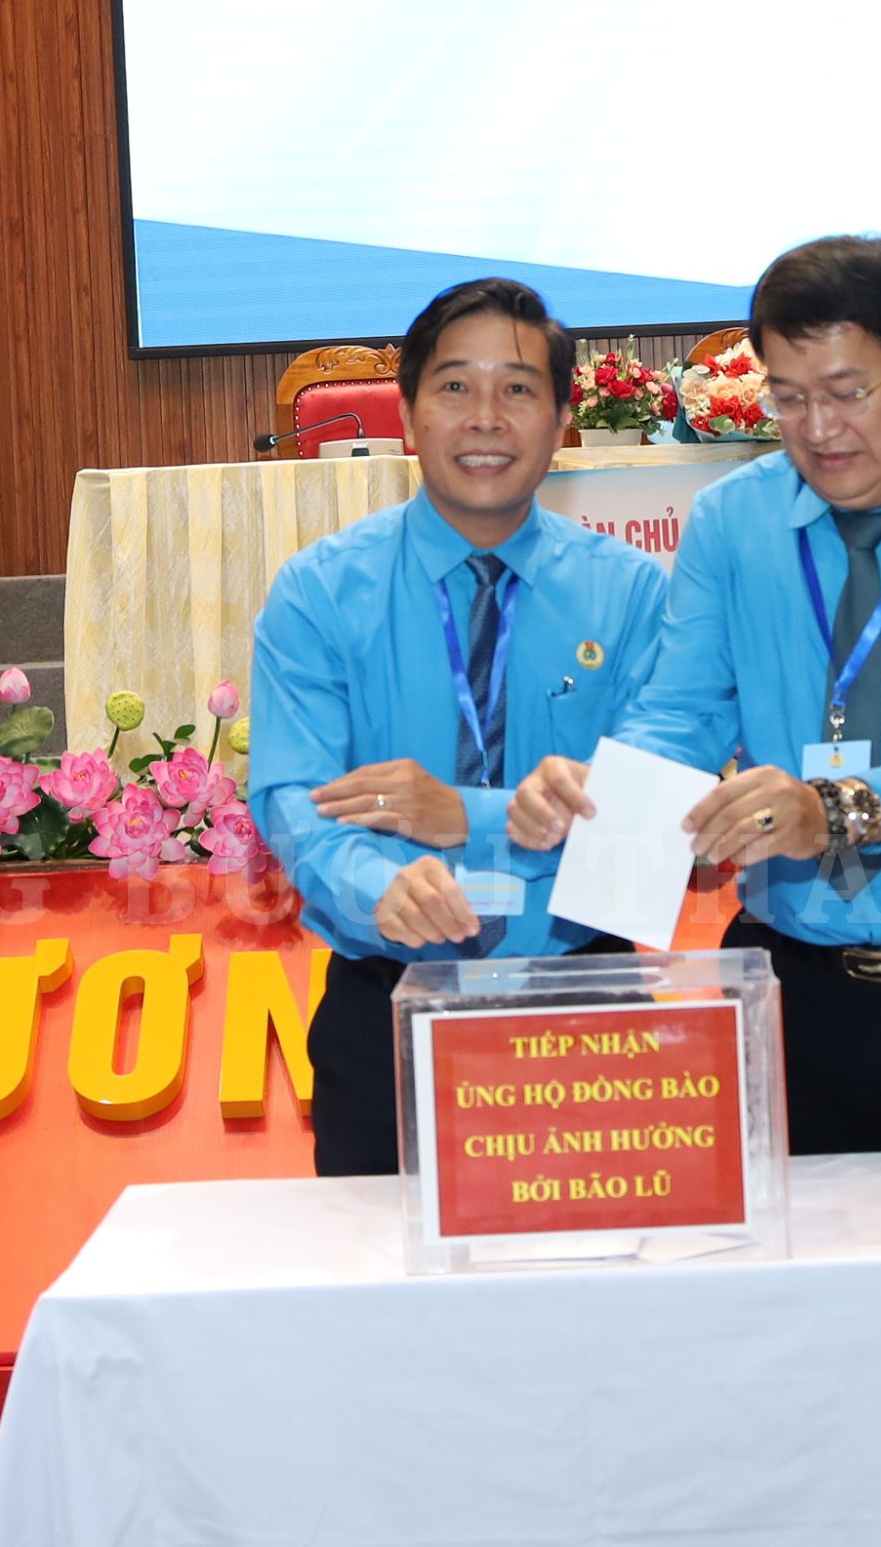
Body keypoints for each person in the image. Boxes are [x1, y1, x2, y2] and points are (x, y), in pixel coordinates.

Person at [509, 236, 881, 1277]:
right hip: (796, 998)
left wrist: (836, 808)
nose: (818, 431)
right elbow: (681, 712)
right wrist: (610, 795)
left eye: (846, 393)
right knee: (806, 1330)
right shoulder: (734, 522)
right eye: (787, 400)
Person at [249, 278, 672, 1176]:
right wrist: (379, 886)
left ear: (561, 422)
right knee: (383, 1267)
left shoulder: (633, 595)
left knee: (600, 1265)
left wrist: (464, 818)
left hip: (584, 1004)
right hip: (387, 1009)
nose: (485, 417)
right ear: (407, 415)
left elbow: (648, 826)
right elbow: (294, 799)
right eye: (454, 387)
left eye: (517, 389)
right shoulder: (320, 592)